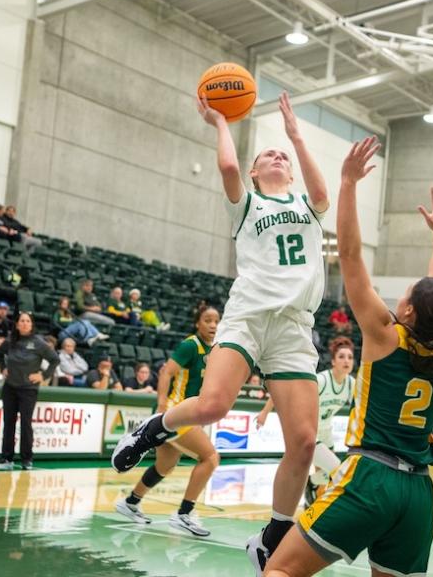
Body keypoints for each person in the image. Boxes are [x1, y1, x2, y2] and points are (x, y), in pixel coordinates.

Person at [112, 91, 329, 573]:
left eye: (284, 157)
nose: (277, 156)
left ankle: (272, 534)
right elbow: (228, 170)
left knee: (305, 441)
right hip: (249, 314)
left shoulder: (306, 204)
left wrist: (296, 135)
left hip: (294, 326)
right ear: (255, 172)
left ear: (291, 172)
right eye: (267, 154)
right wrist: (221, 122)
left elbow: (323, 194)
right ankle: (151, 429)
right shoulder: (246, 204)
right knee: (214, 406)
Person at [262, 141, 433, 577]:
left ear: (406, 311)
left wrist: (347, 183)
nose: (402, 294)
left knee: (279, 571)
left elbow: (349, 256)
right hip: (419, 493)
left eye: (406, 293)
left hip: (372, 478)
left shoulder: (385, 334)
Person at [115, 305, 221, 537]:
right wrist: (162, 405)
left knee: (165, 465)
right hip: (177, 412)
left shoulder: (214, 349)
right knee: (211, 457)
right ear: (197, 323)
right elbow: (166, 372)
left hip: (188, 413)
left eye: (216, 321)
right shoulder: (190, 345)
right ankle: (184, 514)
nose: (213, 325)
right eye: (207, 320)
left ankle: (131, 502)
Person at [256, 336, 356, 506]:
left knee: (323, 477)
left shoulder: (351, 384)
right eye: (341, 356)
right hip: (307, 430)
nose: (346, 361)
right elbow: (291, 390)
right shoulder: (322, 380)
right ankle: (307, 491)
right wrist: (264, 413)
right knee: (337, 468)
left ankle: (311, 488)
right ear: (333, 361)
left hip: (326, 433)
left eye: (350, 357)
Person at [0, 312, 58, 470]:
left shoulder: (39, 343)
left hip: (28, 390)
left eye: (27, 321)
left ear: (31, 325)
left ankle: (27, 459)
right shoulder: (10, 340)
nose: (24, 323)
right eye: (21, 321)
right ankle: (6, 457)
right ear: (16, 324)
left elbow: (55, 360)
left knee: (25, 423)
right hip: (9, 387)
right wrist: (3, 369)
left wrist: (42, 375)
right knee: (8, 422)